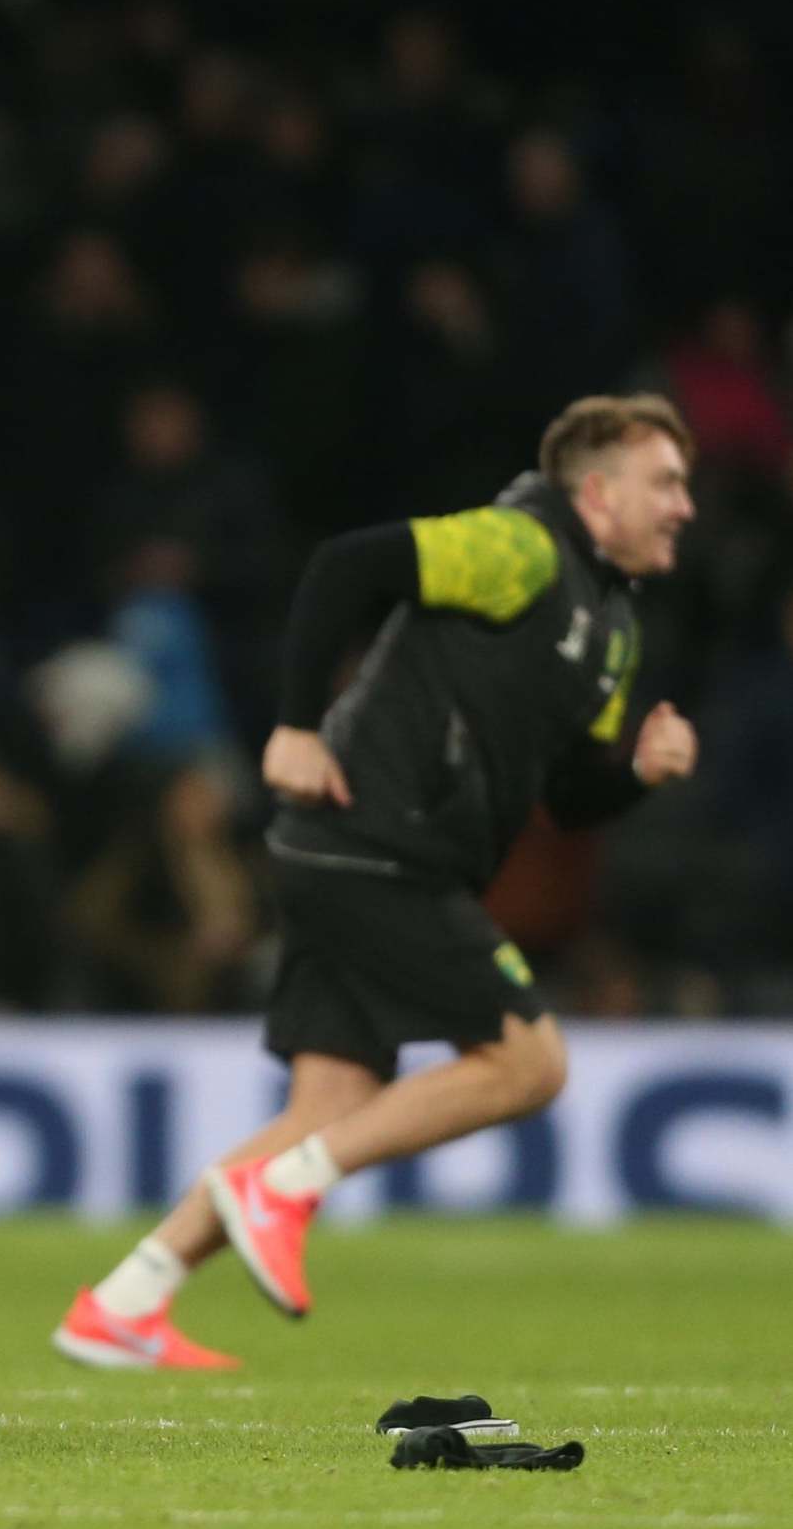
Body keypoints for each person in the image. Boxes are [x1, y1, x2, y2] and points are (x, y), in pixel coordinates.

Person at [55, 393, 700, 1370]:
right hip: (370, 841)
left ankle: (124, 1300)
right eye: (665, 482)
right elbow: (346, 566)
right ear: (599, 493)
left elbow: (566, 797)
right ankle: (286, 1186)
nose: (684, 505)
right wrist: (296, 726)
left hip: (381, 854)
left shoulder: (612, 628)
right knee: (529, 1063)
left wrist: (637, 774)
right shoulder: (522, 546)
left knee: (328, 1105)